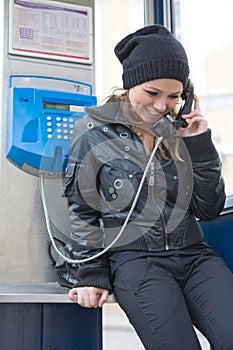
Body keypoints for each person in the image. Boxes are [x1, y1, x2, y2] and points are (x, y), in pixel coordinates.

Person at [64, 25, 233, 349]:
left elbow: (209, 209)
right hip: (137, 262)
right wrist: (91, 274)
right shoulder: (93, 133)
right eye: (152, 93)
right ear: (130, 84)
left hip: (194, 255)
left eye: (173, 97)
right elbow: (83, 210)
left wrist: (197, 144)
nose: (161, 106)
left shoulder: (177, 132)